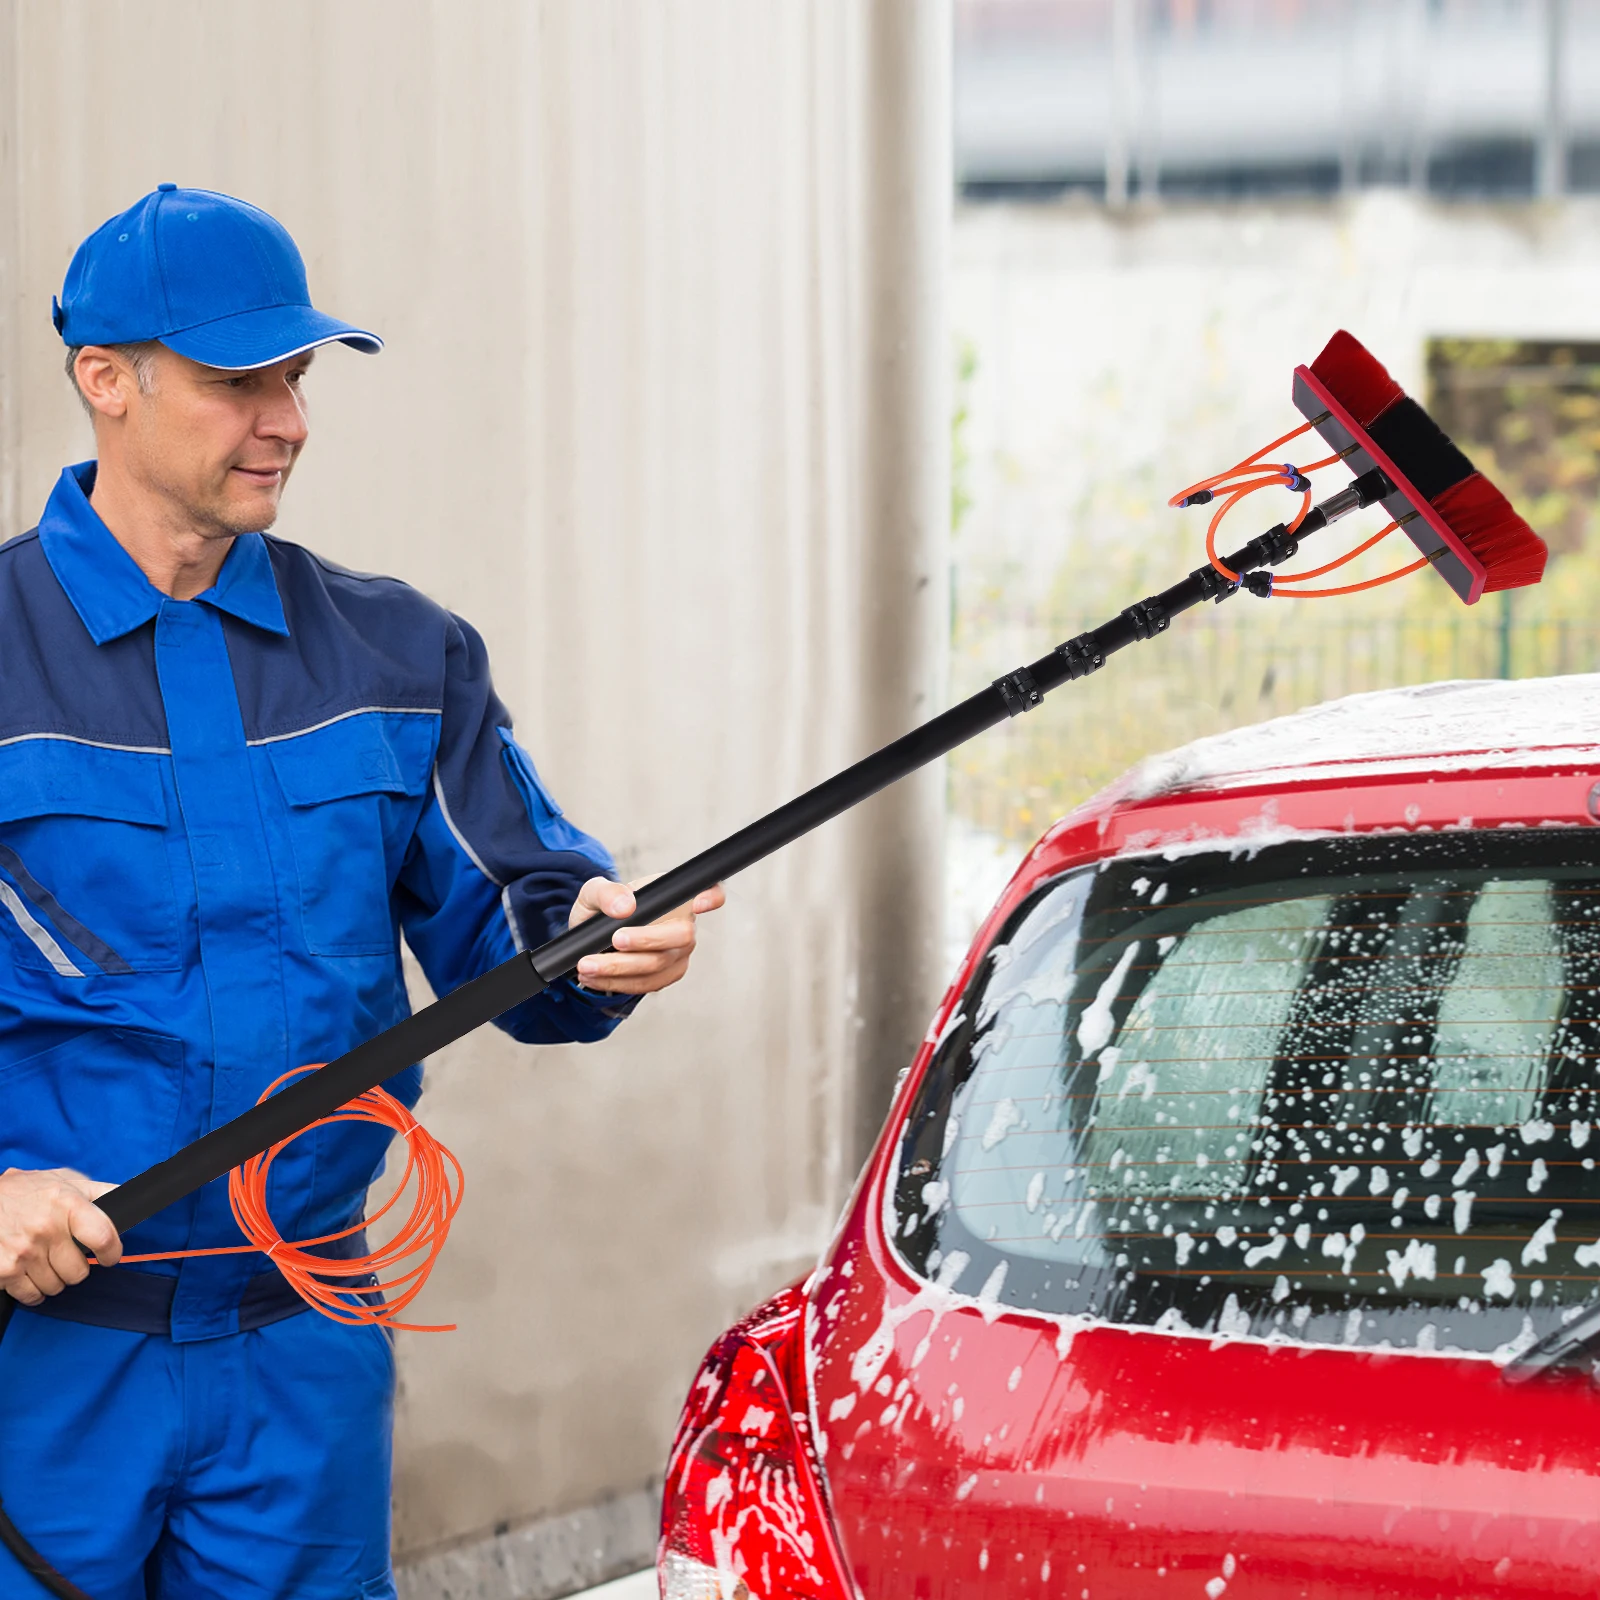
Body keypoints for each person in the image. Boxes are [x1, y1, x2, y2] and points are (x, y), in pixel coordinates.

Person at [0, 184, 722, 1599]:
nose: (288, 418)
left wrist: (589, 947)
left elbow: (514, 916)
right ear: (106, 381)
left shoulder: (396, 655)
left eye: (298, 374)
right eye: (236, 379)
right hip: (46, 1371)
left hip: (303, 1356)